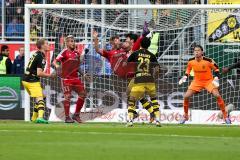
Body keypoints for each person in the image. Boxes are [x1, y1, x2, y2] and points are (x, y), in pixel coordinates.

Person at [179, 45, 231, 124]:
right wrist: (185, 76)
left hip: (208, 81)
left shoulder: (209, 61)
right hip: (197, 81)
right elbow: (188, 69)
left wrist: (216, 77)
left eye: (198, 50)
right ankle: (185, 116)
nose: (196, 52)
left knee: (217, 95)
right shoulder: (190, 61)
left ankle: (225, 116)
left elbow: (216, 68)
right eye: (195, 50)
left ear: (202, 52)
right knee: (186, 96)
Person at [127, 37, 161, 127]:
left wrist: (130, 55)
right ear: (149, 45)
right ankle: (157, 119)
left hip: (139, 79)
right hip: (150, 79)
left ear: (140, 44)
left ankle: (130, 120)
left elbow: (127, 64)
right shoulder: (152, 55)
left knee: (132, 99)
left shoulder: (135, 53)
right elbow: (157, 69)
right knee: (153, 100)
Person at [54, 35, 86, 123]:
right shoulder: (64, 52)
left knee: (83, 94)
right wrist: (57, 66)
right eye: (71, 41)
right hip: (66, 79)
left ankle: (76, 115)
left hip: (75, 78)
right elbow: (55, 61)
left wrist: (83, 74)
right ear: (67, 43)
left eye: (73, 41)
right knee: (67, 96)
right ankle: (67, 117)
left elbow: (77, 66)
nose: (73, 43)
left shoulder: (77, 53)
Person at [22, 38, 55, 124]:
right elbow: (39, 73)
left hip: (26, 79)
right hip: (31, 80)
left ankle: (34, 117)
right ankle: (40, 117)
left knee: (42, 96)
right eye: (47, 43)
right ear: (42, 46)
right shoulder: (41, 56)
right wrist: (50, 75)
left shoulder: (37, 54)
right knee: (40, 98)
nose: (49, 45)